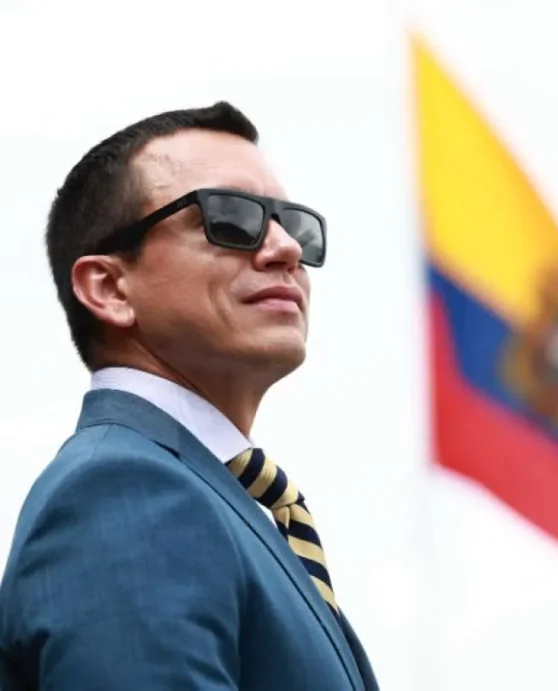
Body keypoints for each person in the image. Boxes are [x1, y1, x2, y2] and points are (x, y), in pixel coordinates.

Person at [0, 102, 378, 690]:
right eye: (231, 218)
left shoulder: (210, 499)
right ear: (109, 288)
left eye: (295, 225)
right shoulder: (123, 490)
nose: (285, 248)